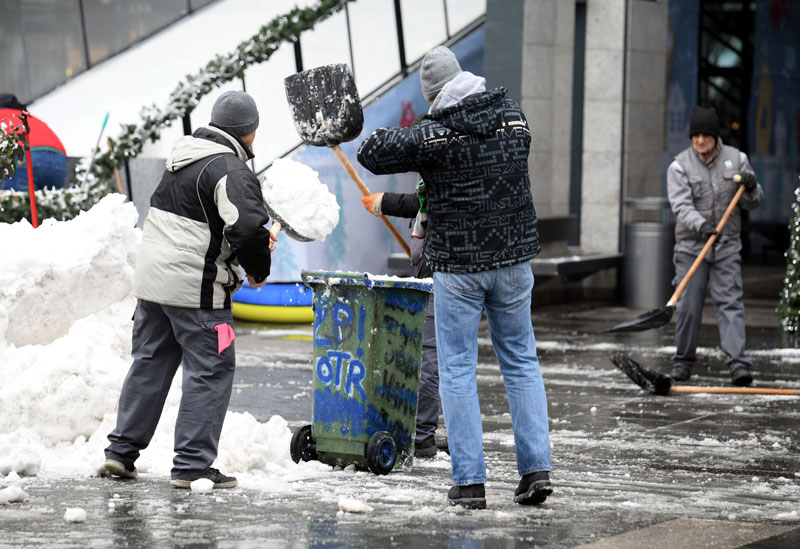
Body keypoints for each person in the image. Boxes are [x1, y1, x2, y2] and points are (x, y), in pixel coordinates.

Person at [357, 46, 552, 509]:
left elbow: (371, 151)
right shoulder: (513, 117)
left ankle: (469, 482)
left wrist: (423, 129)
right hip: (514, 260)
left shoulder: (436, 133)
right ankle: (536, 471)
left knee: (459, 370)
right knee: (522, 363)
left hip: (461, 268)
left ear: (433, 95)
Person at [102, 90, 275, 489]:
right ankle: (193, 465)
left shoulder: (181, 161)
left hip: (152, 286)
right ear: (249, 132)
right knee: (212, 368)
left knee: (150, 362)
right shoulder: (230, 169)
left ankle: (121, 453)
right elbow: (247, 226)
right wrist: (259, 269)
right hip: (197, 293)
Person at [666, 106, 763, 386]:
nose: (699, 141)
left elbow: (753, 201)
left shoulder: (737, 159)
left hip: (727, 247)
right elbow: (680, 206)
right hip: (691, 248)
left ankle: (738, 365)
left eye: (705, 135)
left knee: (730, 304)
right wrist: (702, 225)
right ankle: (683, 362)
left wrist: (752, 187)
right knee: (688, 307)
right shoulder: (680, 165)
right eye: (695, 135)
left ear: (715, 137)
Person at [361, 183, 445, 458]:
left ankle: (421, 435)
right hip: (464, 273)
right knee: (452, 359)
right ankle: (433, 432)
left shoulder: (450, 156)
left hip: (442, 274)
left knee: (430, 356)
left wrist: (384, 202)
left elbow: (430, 197)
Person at [0, 93, 67, 191]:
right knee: (50, 204)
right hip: (59, 161)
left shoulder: (3, 118)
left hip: (25, 158)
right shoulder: (28, 117)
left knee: (15, 203)